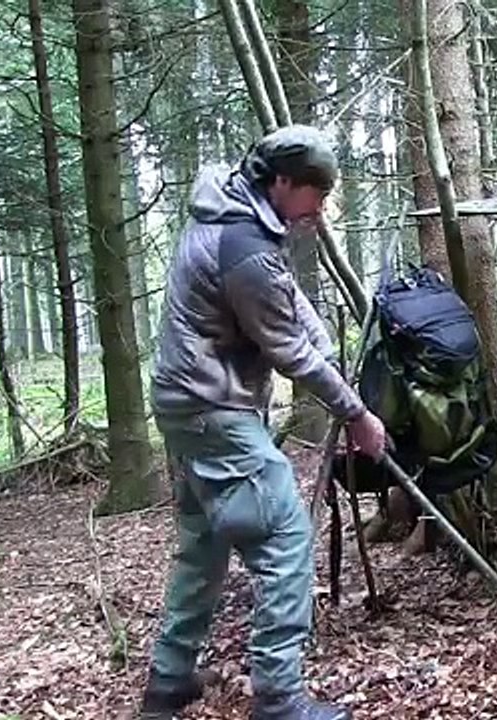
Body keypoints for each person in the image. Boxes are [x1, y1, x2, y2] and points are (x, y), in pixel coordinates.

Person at [138, 125, 384, 720]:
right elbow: (287, 349)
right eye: (314, 195)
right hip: (212, 408)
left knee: (205, 544)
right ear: (281, 182)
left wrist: (319, 338)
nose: (318, 209)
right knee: (283, 539)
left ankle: (168, 682)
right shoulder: (242, 243)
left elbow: (284, 295)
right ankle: (279, 698)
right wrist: (354, 412)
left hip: (185, 404)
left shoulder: (237, 217)